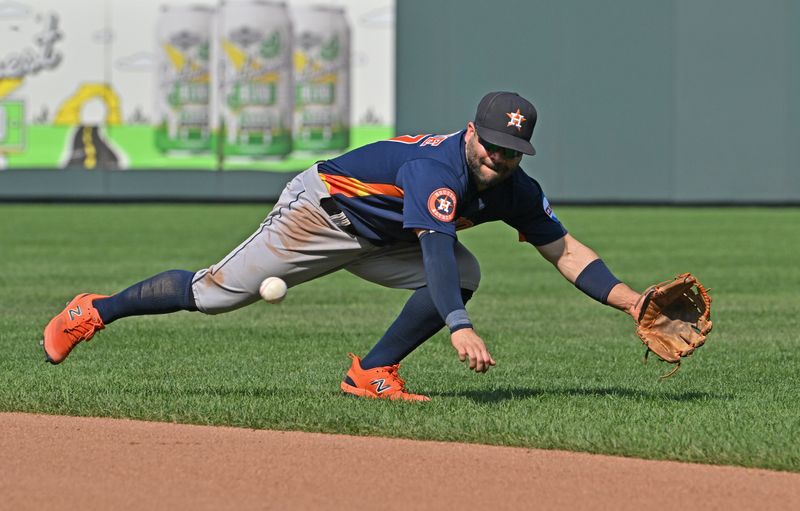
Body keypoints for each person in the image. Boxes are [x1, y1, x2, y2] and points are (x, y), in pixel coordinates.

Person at [42, 91, 643, 401]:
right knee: (212, 296)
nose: (498, 156)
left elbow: (565, 249)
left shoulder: (514, 187)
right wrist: (458, 327)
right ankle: (93, 311)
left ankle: (373, 372)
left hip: (386, 235)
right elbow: (432, 249)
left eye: (510, 150)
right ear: (471, 133)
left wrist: (633, 303)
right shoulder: (439, 170)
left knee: (465, 271)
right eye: (490, 143)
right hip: (323, 212)